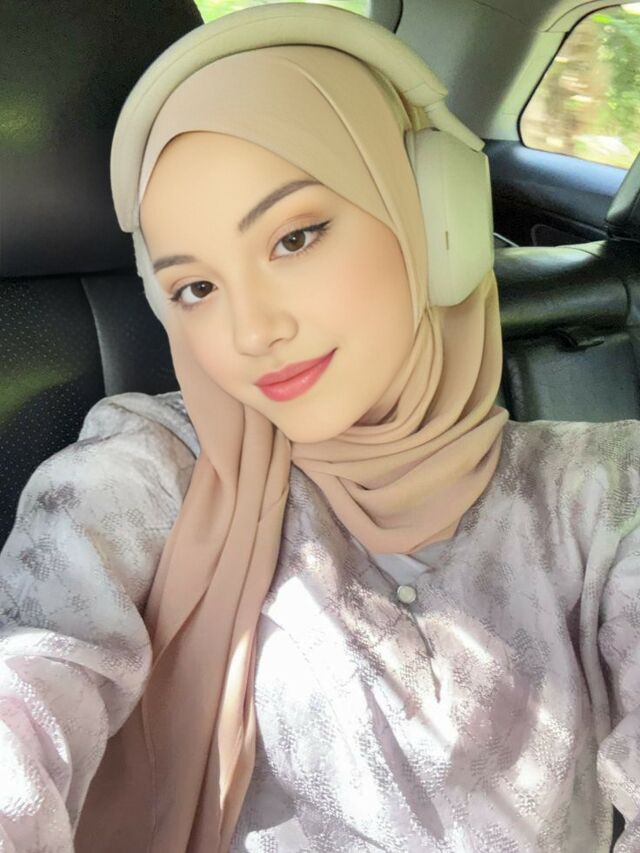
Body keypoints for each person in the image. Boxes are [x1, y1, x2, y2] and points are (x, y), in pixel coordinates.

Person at [1, 4, 639, 852]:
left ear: (432, 221)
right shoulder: (148, 471)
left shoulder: (604, 493)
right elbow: (30, 690)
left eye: (295, 237)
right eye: (196, 289)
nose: (251, 331)